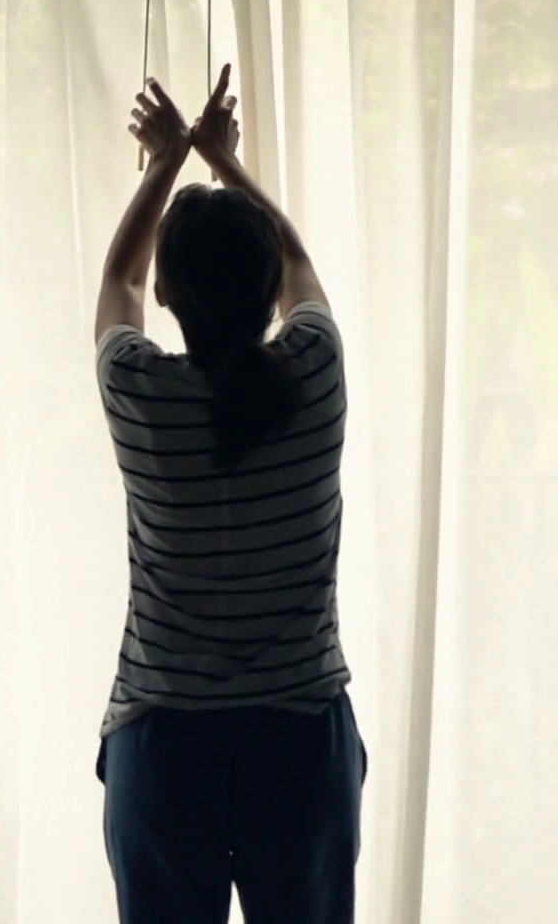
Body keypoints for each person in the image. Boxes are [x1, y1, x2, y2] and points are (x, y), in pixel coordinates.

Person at [92, 64, 364, 924]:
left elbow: (119, 284)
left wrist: (169, 160)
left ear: (171, 293)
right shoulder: (315, 373)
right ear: (264, 290)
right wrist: (224, 160)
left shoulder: (142, 395)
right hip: (300, 742)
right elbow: (301, 264)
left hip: (167, 745)